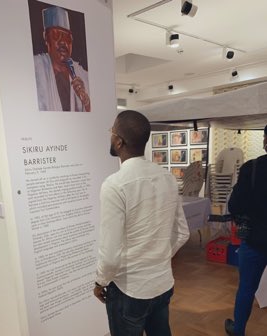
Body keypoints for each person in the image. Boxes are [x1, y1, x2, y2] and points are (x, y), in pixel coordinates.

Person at [94, 110, 190, 336]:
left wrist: (100, 282)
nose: (110, 135)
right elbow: (183, 233)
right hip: (163, 283)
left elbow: (110, 254)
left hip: (130, 290)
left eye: (112, 131)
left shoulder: (114, 185)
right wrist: (159, 257)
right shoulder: (167, 177)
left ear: (119, 141)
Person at [225, 125, 267, 336]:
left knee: (246, 289)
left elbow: (235, 205)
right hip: (256, 239)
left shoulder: (252, 167)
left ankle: (238, 329)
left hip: (255, 239)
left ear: (265, 141)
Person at [33, 6, 90, 112]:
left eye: (66, 37)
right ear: (46, 37)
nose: (62, 41)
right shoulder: (36, 67)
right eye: (56, 35)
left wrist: (86, 102)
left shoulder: (83, 75)